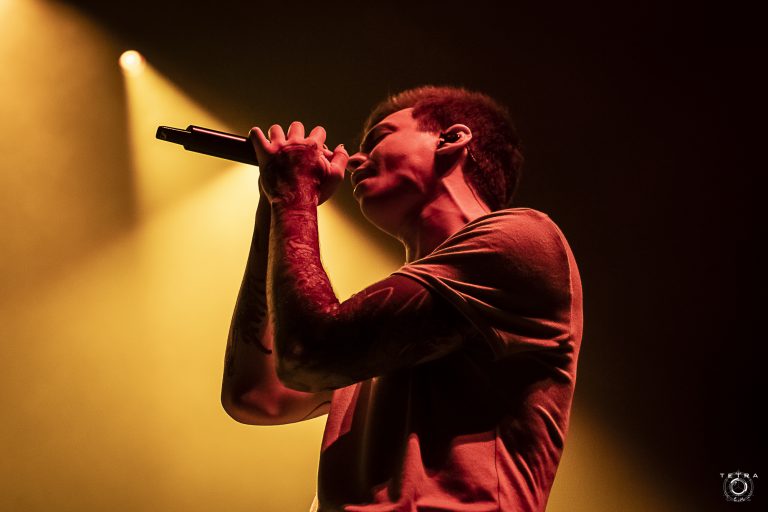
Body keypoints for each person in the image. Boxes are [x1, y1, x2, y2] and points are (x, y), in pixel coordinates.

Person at [221, 86, 583, 512]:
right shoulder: (381, 331)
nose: (356, 159)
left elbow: (310, 351)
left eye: (379, 137)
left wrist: (292, 196)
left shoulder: (520, 238)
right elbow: (254, 395)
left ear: (452, 139)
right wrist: (274, 202)